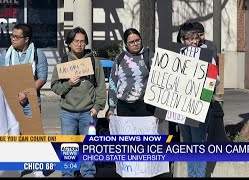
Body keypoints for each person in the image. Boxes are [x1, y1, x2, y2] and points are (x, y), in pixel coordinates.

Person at [51, 26, 107, 178]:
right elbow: (55, 87)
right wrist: (68, 83)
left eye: (83, 41)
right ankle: (67, 174)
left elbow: (101, 86)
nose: (79, 44)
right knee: (68, 149)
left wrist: (97, 107)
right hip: (67, 113)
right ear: (69, 43)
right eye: (76, 41)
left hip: (88, 113)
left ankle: (88, 174)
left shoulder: (93, 61)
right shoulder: (63, 62)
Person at [0, 23, 48, 178]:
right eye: (12, 36)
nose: (13, 39)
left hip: (30, 101)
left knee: (33, 134)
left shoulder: (37, 54)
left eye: (17, 37)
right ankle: (17, 166)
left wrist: (26, 93)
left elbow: (42, 77)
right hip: (10, 101)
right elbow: (2, 77)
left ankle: (37, 167)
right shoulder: (6, 54)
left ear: (26, 39)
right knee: (14, 134)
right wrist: (13, 93)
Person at [176, 22, 218, 177]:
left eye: (195, 38)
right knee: (187, 143)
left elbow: (214, 79)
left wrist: (204, 101)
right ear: (182, 40)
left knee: (198, 143)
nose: (193, 41)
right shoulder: (176, 54)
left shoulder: (206, 54)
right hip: (181, 106)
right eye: (189, 39)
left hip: (200, 105)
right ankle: (191, 174)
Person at [106, 28, 155, 118]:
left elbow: (158, 82)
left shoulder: (149, 56)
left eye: (137, 40)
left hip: (144, 106)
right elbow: (113, 83)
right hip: (124, 107)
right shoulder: (119, 59)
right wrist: (111, 108)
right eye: (131, 42)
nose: (135, 44)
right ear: (126, 44)